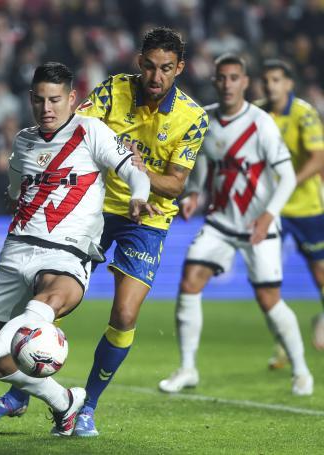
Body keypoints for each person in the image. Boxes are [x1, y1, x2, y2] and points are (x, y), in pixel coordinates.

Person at [0, 62, 156, 436]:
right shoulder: (23, 141)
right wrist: (15, 196)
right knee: (4, 365)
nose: (47, 108)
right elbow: (15, 189)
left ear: (73, 99)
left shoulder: (91, 131)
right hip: (17, 250)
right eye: (40, 100)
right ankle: (64, 402)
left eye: (55, 100)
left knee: (45, 302)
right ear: (31, 100)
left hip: (68, 251)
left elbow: (133, 171)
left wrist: (139, 196)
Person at [72, 27, 208, 437]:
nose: (156, 77)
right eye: (149, 66)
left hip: (146, 218)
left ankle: (87, 408)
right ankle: (24, 390)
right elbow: (74, 138)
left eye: (166, 69)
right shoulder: (112, 92)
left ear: (179, 68)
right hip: (95, 209)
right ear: (139, 63)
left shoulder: (193, 117)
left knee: (126, 313)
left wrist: (140, 173)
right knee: (56, 298)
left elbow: (177, 183)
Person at [158, 54, 313, 396]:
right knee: (189, 281)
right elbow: (204, 163)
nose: (227, 84)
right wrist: (195, 193)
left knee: (268, 299)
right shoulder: (207, 119)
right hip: (221, 222)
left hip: (259, 225)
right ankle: (187, 368)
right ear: (215, 82)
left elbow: (286, 177)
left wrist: (269, 215)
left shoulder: (261, 123)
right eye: (221, 78)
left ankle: (301, 370)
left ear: (245, 83)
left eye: (234, 78)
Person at [256, 59, 324, 369]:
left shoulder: (303, 113)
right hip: (270, 210)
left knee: (319, 273)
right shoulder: (255, 113)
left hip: (307, 206)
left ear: (288, 84)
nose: (270, 85)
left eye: (276, 80)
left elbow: (318, 158)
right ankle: (282, 345)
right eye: (266, 80)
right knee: (269, 281)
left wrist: (287, 183)